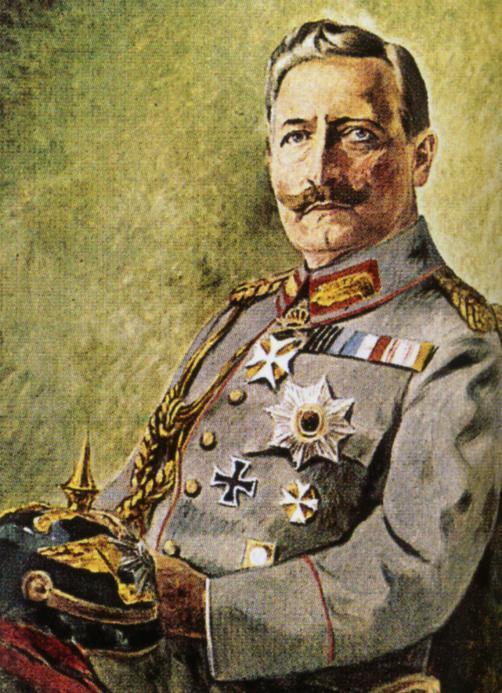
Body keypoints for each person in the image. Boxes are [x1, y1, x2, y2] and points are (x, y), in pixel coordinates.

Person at [98, 19, 501, 692]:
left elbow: (412, 571)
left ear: (421, 157)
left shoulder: (459, 345)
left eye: (357, 135)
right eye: (296, 137)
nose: (320, 172)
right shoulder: (247, 313)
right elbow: (142, 485)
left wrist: (207, 610)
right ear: (270, 159)